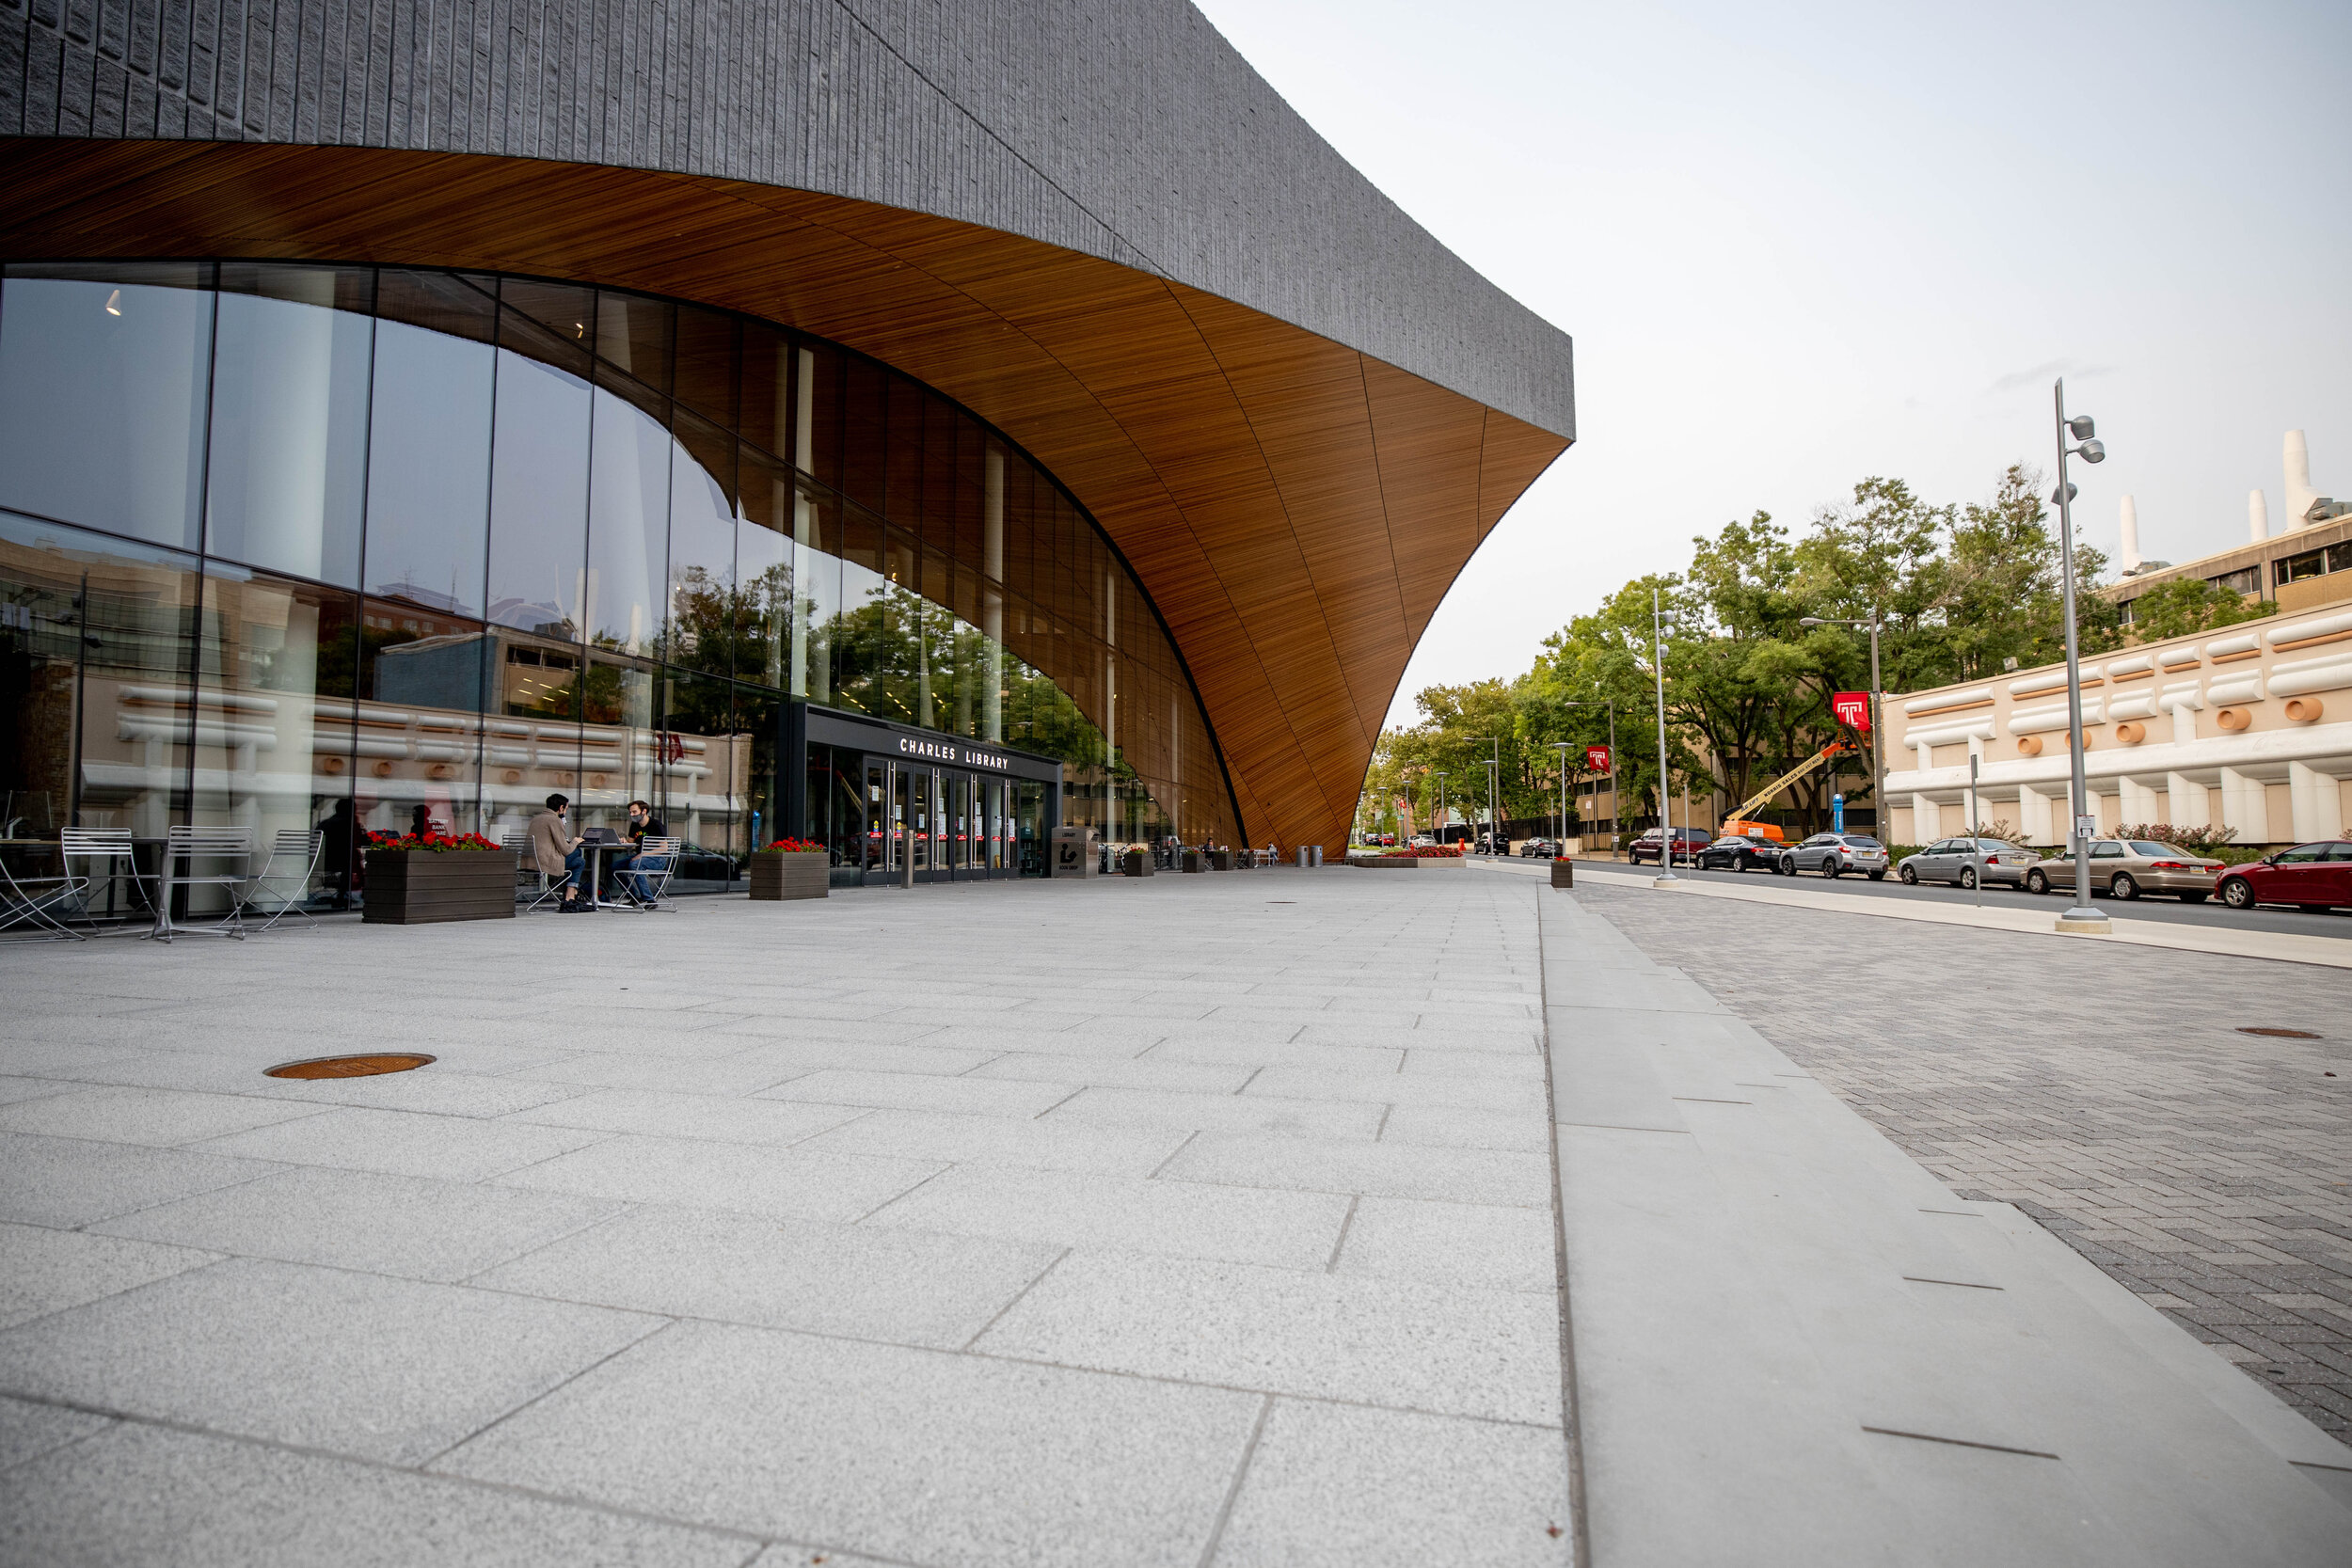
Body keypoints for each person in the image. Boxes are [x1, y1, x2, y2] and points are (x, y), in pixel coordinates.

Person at [528, 793, 591, 911]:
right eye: (566, 808)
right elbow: (566, 850)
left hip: (530, 862)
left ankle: (570, 895)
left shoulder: (536, 819)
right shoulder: (554, 820)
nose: (566, 811)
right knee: (577, 852)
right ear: (561, 808)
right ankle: (571, 895)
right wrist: (575, 841)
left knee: (579, 861)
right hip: (545, 863)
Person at [608, 799, 669, 904]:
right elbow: (631, 843)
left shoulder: (656, 825)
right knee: (614, 867)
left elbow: (664, 848)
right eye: (630, 812)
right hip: (640, 857)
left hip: (658, 859)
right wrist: (623, 841)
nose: (632, 815)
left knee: (635, 865)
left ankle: (650, 900)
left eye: (634, 812)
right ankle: (634, 896)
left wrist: (642, 855)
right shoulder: (635, 825)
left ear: (644, 811)